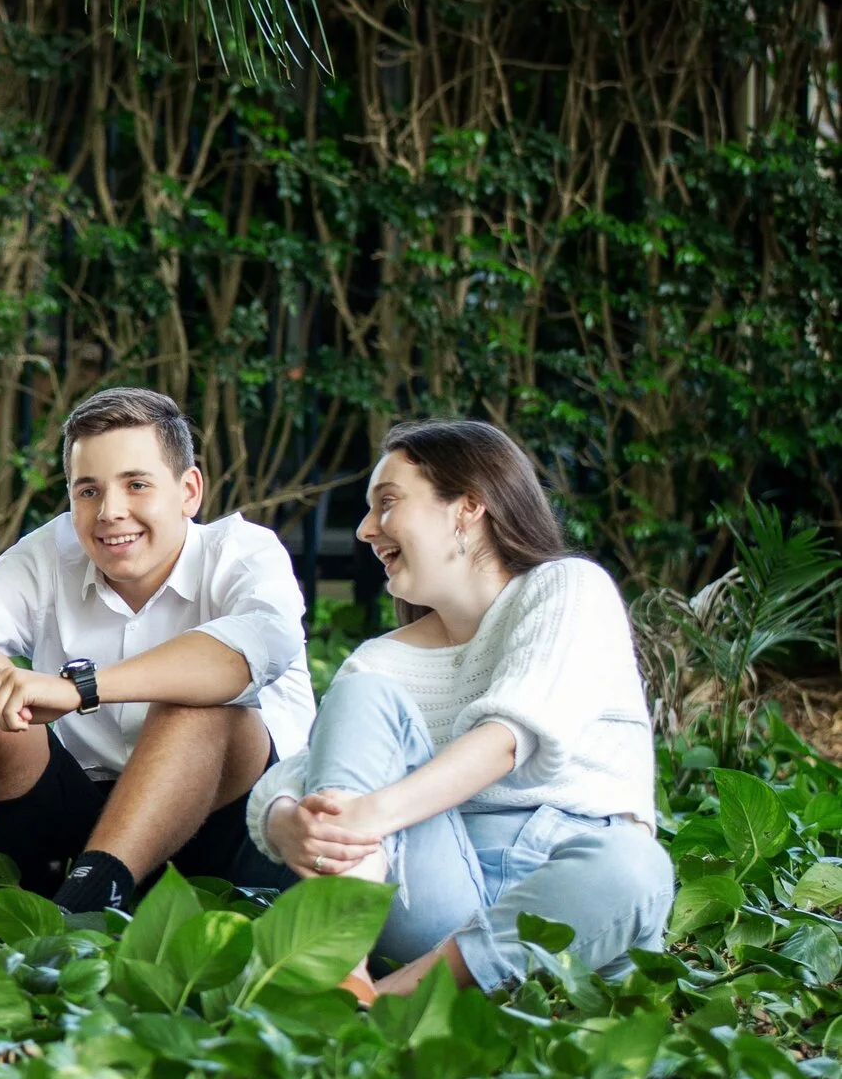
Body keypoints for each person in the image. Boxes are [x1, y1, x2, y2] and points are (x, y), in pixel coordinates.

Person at [0, 386, 313, 932]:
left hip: (228, 830)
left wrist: (79, 689)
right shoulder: (54, 553)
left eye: (136, 484)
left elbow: (252, 649)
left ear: (189, 490)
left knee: (204, 700)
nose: (110, 512)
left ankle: (82, 917)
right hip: (74, 827)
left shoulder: (243, 552)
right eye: (88, 490)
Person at [249, 419, 674, 999]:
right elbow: (295, 777)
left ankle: (390, 1000)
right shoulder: (380, 662)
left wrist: (372, 815)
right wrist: (288, 823)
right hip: (434, 888)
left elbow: (508, 735)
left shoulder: (567, 588)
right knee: (361, 695)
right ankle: (344, 966)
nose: (366, 529)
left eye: (388, 503)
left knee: (636, 866)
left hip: (572, 896)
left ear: (468, 507)